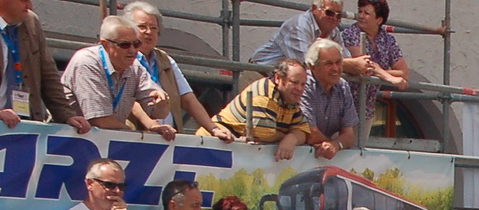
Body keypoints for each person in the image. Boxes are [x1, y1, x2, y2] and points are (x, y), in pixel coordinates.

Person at [124, 3, 229, 140]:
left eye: (154, 28)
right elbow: (129, 100)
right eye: (142, 27)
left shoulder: (166, 60)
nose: (149, 32)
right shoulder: (125, 58)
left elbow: (188, 100)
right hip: (135, 138)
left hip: (169, 139)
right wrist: (153, 126)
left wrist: (214, 129)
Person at [62, 17, 170, 139]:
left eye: (136, 44)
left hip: (103, 141)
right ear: (105, 45)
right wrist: (134, 137)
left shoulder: (135, 67)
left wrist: (162, 103)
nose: (133, 50)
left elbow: (158, 113)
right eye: (125, 45)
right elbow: (100, 120)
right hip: (68, 139)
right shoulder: (87, 61)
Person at [0, 0, 90, 132]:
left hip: (25, 125)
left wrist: (67, 115)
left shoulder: (31, 21)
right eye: (23, 0)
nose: (29, 6)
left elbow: (48, 74)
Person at [207, 59, 319, 161]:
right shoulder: (264, 94)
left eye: (303, 84)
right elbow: (264, 133)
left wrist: (292, 138)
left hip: (231, 151)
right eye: (294, 82)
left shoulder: (290, 99)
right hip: (212, 145)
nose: (299, 89)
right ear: (278, 78)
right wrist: (286, 137)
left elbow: (304, 130)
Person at [338, 0, 406, 129]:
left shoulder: (388, 39)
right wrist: (387, 76)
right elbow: (363, 64)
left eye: (367, 13)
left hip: (366, 109)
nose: (361, 16)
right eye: (360, 11)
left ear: (379, 20)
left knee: (361, 148)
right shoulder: (350, 34)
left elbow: (404, 72)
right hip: (344, 107)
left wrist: (379, 71)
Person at [300, 37, 357, 152]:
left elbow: (349, 136)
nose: (335, 68)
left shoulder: (343, 86)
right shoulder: (304, 84)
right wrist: (331, 145)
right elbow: (310, 133)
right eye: (328, 64)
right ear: (312, 67)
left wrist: (335, 145)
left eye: (338, 62)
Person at [252, 0, 342, 71]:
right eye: (329, 13)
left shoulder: (334, 30)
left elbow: (345, 57)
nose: (334, 18)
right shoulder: (299, 26)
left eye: (339, 15)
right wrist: (341, 63)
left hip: (286, 79)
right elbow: (309, 63)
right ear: (315, 9)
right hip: (261, 73)